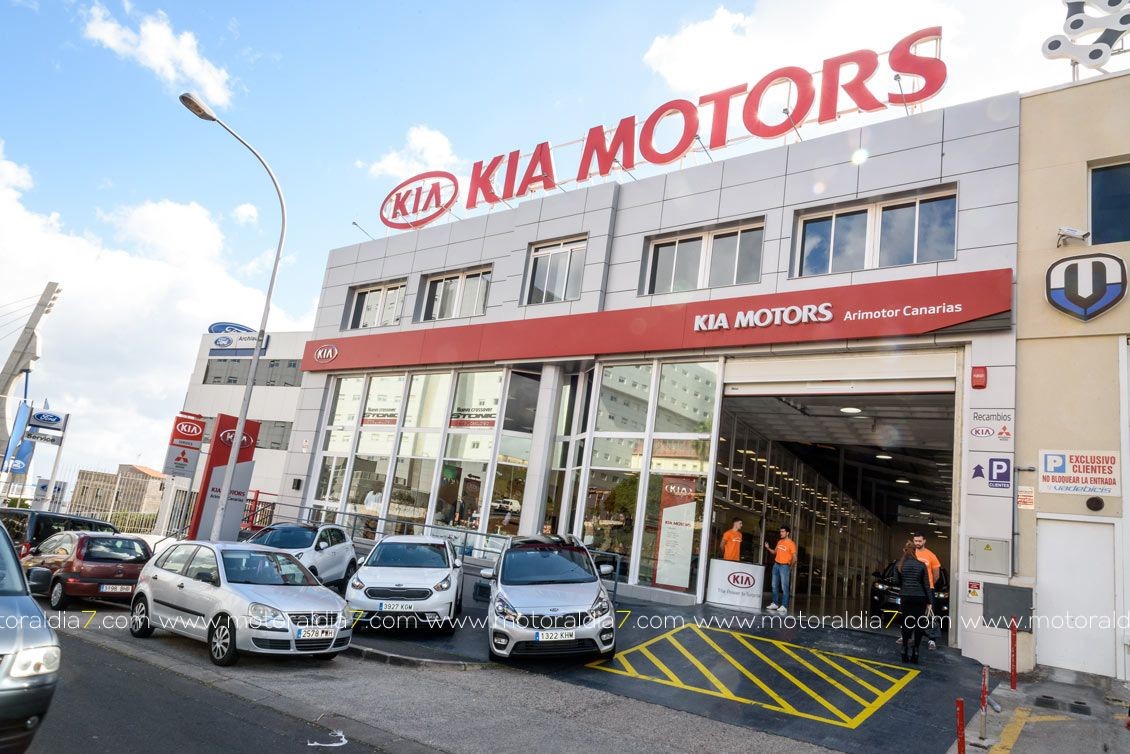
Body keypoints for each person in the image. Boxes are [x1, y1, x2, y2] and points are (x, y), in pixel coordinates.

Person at [896, 541, 930, 664]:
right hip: (920, 598)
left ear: (905, 551)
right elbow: (926, 585)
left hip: (906, 597)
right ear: (915, 551)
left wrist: (905, 587)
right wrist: (929, 601)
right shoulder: (921, 565)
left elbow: (896, 582)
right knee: (919, 624)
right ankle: (916, 651)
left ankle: (904, 649)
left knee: (907, 623)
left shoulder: (900, 565)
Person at [764, 525, 797, 614]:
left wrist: (790, 567)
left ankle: (784, 606)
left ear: (787, 533)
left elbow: (795, 558)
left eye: (782, 532)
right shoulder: (779, 542)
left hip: (784, 566)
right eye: (780, 531)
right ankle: (775, 603)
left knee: (784, 587)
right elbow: (774, 552)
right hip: (776, 565)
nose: (781, 533)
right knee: (774, 585)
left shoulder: (791, 543)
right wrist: (767, 548)